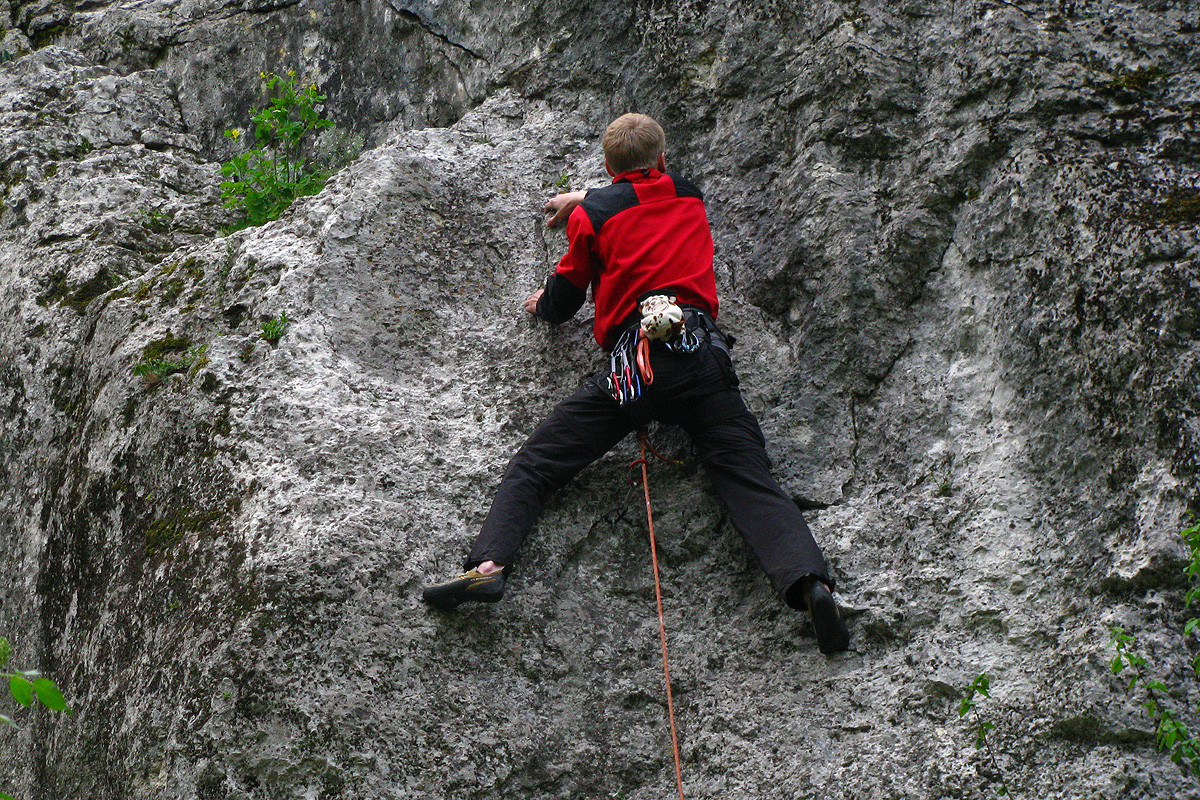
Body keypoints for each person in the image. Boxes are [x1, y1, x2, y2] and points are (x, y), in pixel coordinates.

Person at [422, 113, 849, 655]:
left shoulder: (594, 217)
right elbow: (645, 193)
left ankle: (489, 565)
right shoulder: (689, 198)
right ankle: (810, 583)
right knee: (746, 475)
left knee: (539, 462)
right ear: (663, 159)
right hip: (700, 357)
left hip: (636, 370)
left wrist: (546, 294)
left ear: (606, 167)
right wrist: (585, 198)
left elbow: (566, 297)